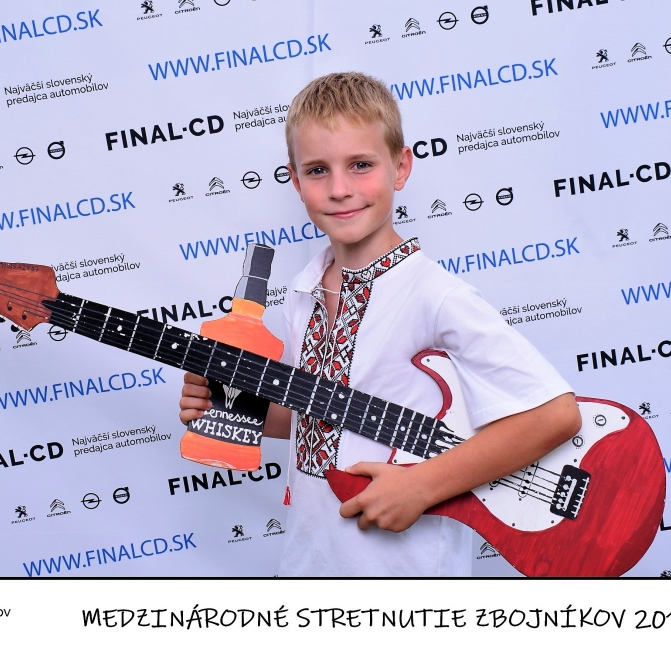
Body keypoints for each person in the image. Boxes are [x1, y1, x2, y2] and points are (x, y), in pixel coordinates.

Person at [179, 72, 581, 576]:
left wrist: (422, 485)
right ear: (296, 182)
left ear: (401, 167)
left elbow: (555, 415)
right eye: (318, 170)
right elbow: (317, 419)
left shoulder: (436, 295)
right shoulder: (302, 292)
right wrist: (232, 406)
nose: (340, 189)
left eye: (361, 165)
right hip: (308, 564)